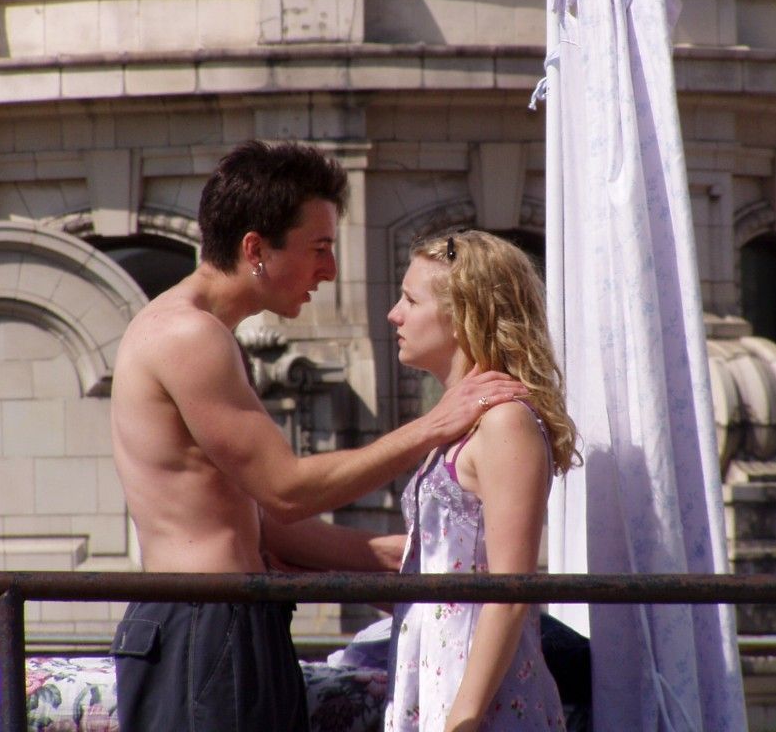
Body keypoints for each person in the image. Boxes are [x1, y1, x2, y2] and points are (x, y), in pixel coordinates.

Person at [108, 140, 526, 732]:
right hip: (206, 628)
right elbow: (287, 491)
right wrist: (435, 423)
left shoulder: (200, 333)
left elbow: (257, 519)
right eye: (320, 249)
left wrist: (395, 556)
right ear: (256, 249)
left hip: (220, 624)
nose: (329, 271)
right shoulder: (188, 335)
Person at [384, 231, 580, 732]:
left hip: (481, 699)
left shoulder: (505, 422)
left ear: (463, 315)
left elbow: (511, 589)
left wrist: (463, 719)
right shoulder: (461, 425)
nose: (394, 314)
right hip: (439, 679)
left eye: (410, 300)